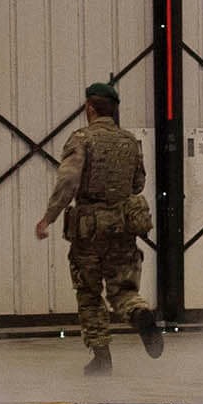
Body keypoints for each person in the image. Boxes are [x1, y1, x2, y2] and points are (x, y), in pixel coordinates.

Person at [36, 81, 159, 373]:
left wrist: (48, 218)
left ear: (89, 108)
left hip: (88, 232)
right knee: (123, 290)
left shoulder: (81, 139)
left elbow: (68, 181)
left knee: (89, 294)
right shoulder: (130, 141)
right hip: (122, 228)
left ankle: (102, 358)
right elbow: (138, 183)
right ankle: (139, 313)